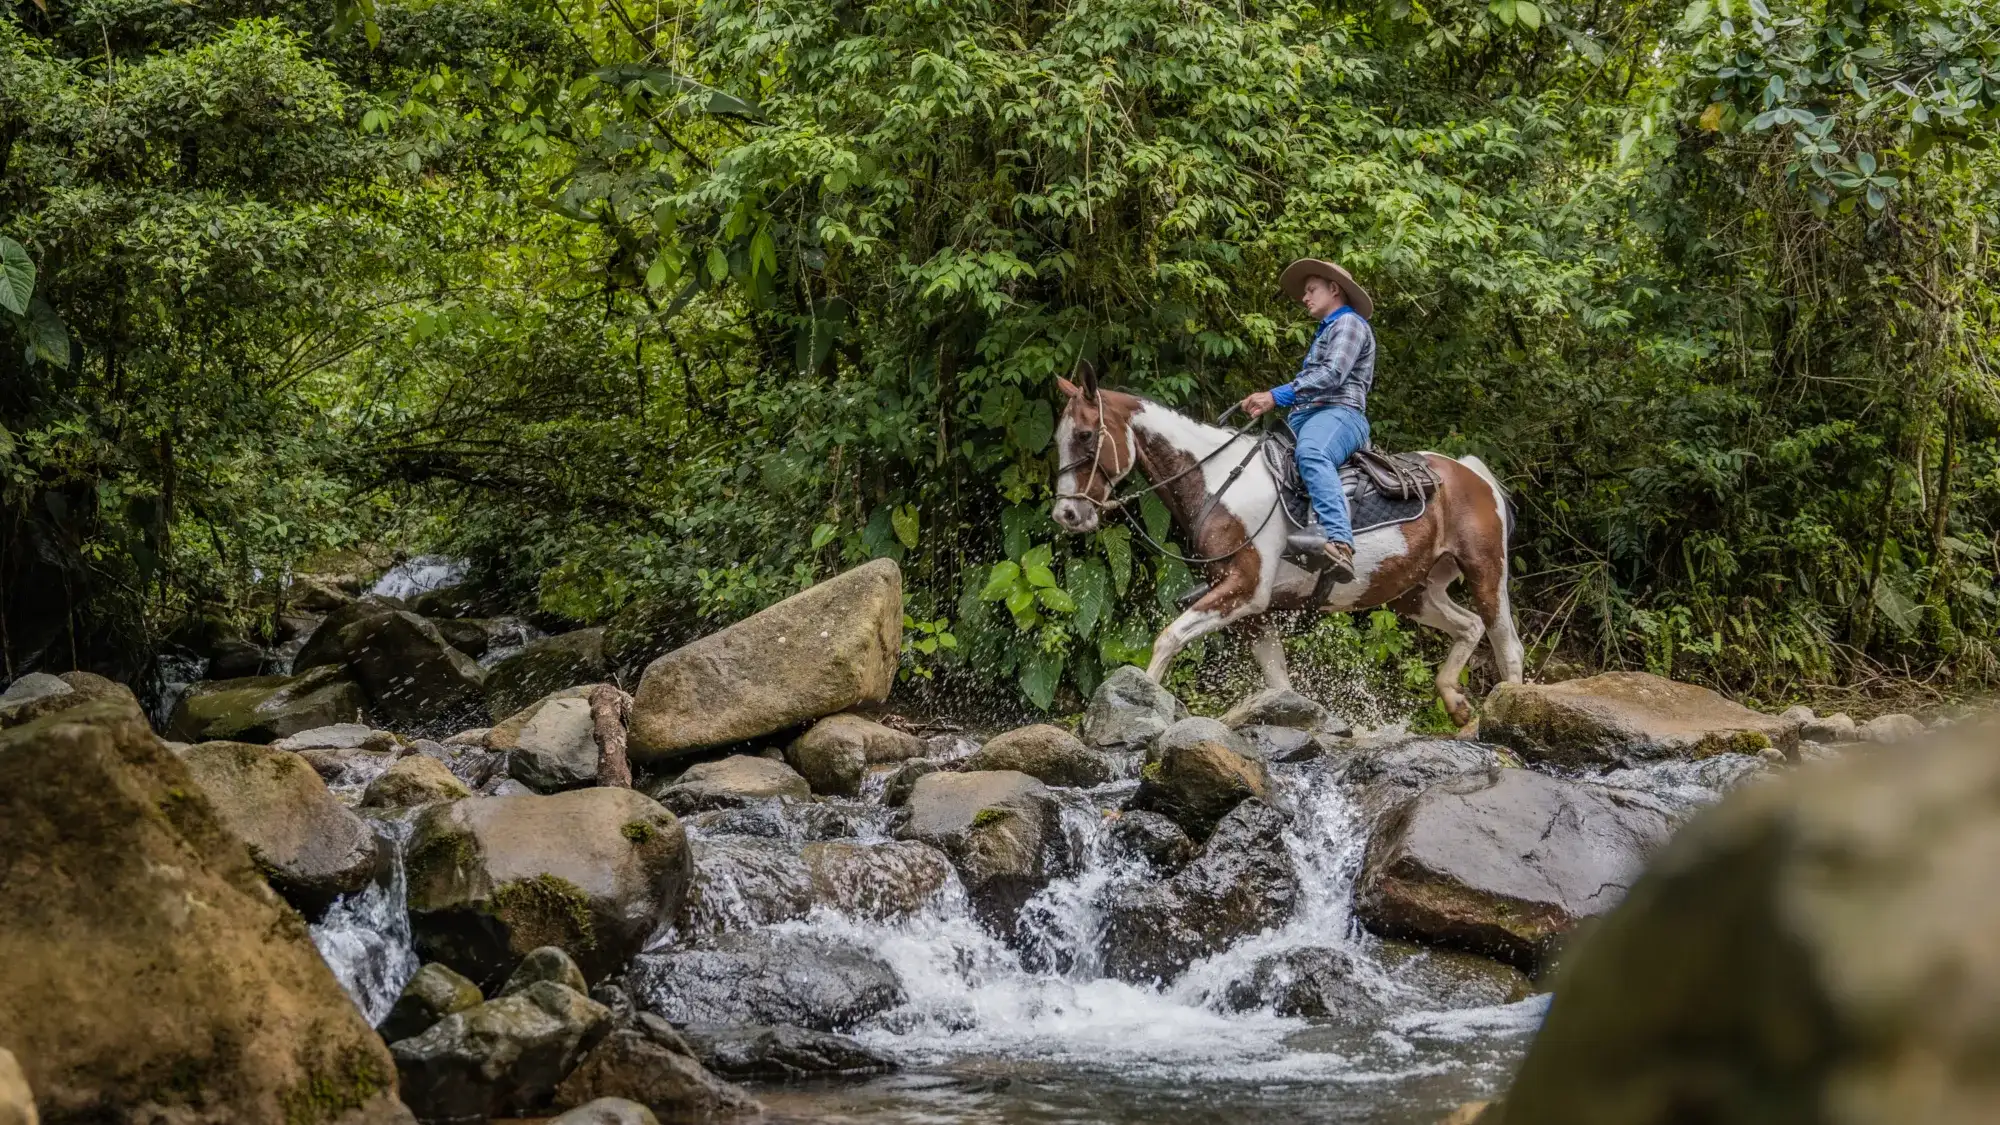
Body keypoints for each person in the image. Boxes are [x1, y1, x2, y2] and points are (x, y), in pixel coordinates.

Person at [1240, 258, 1376, 584]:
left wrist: (1275, 396)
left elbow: (1331, 375)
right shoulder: (1328, 330)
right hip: (1308, 417)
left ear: (1334, 289)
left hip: (1340, 414)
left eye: (1311, 290)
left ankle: (1340, 542)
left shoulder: (1349, 325)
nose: (1305, 297)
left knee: (1311, 453)